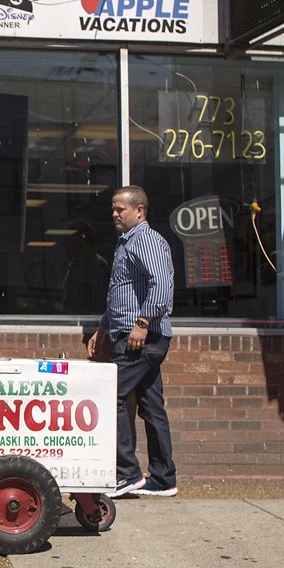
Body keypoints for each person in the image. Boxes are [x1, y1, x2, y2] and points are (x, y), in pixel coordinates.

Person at [86, 186, 177, 498]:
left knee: (111, 396)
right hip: (135, 333)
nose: (114, 213)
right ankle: (163, 479)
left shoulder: (145, 240)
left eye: (120, 208)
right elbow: (122, 292)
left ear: (139, 211)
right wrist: (103, 328)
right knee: (151, 407)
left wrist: (142, 323)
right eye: (113, 208)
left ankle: (127, 474)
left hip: (141, 337)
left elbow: (161, 285)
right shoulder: (127, 242)